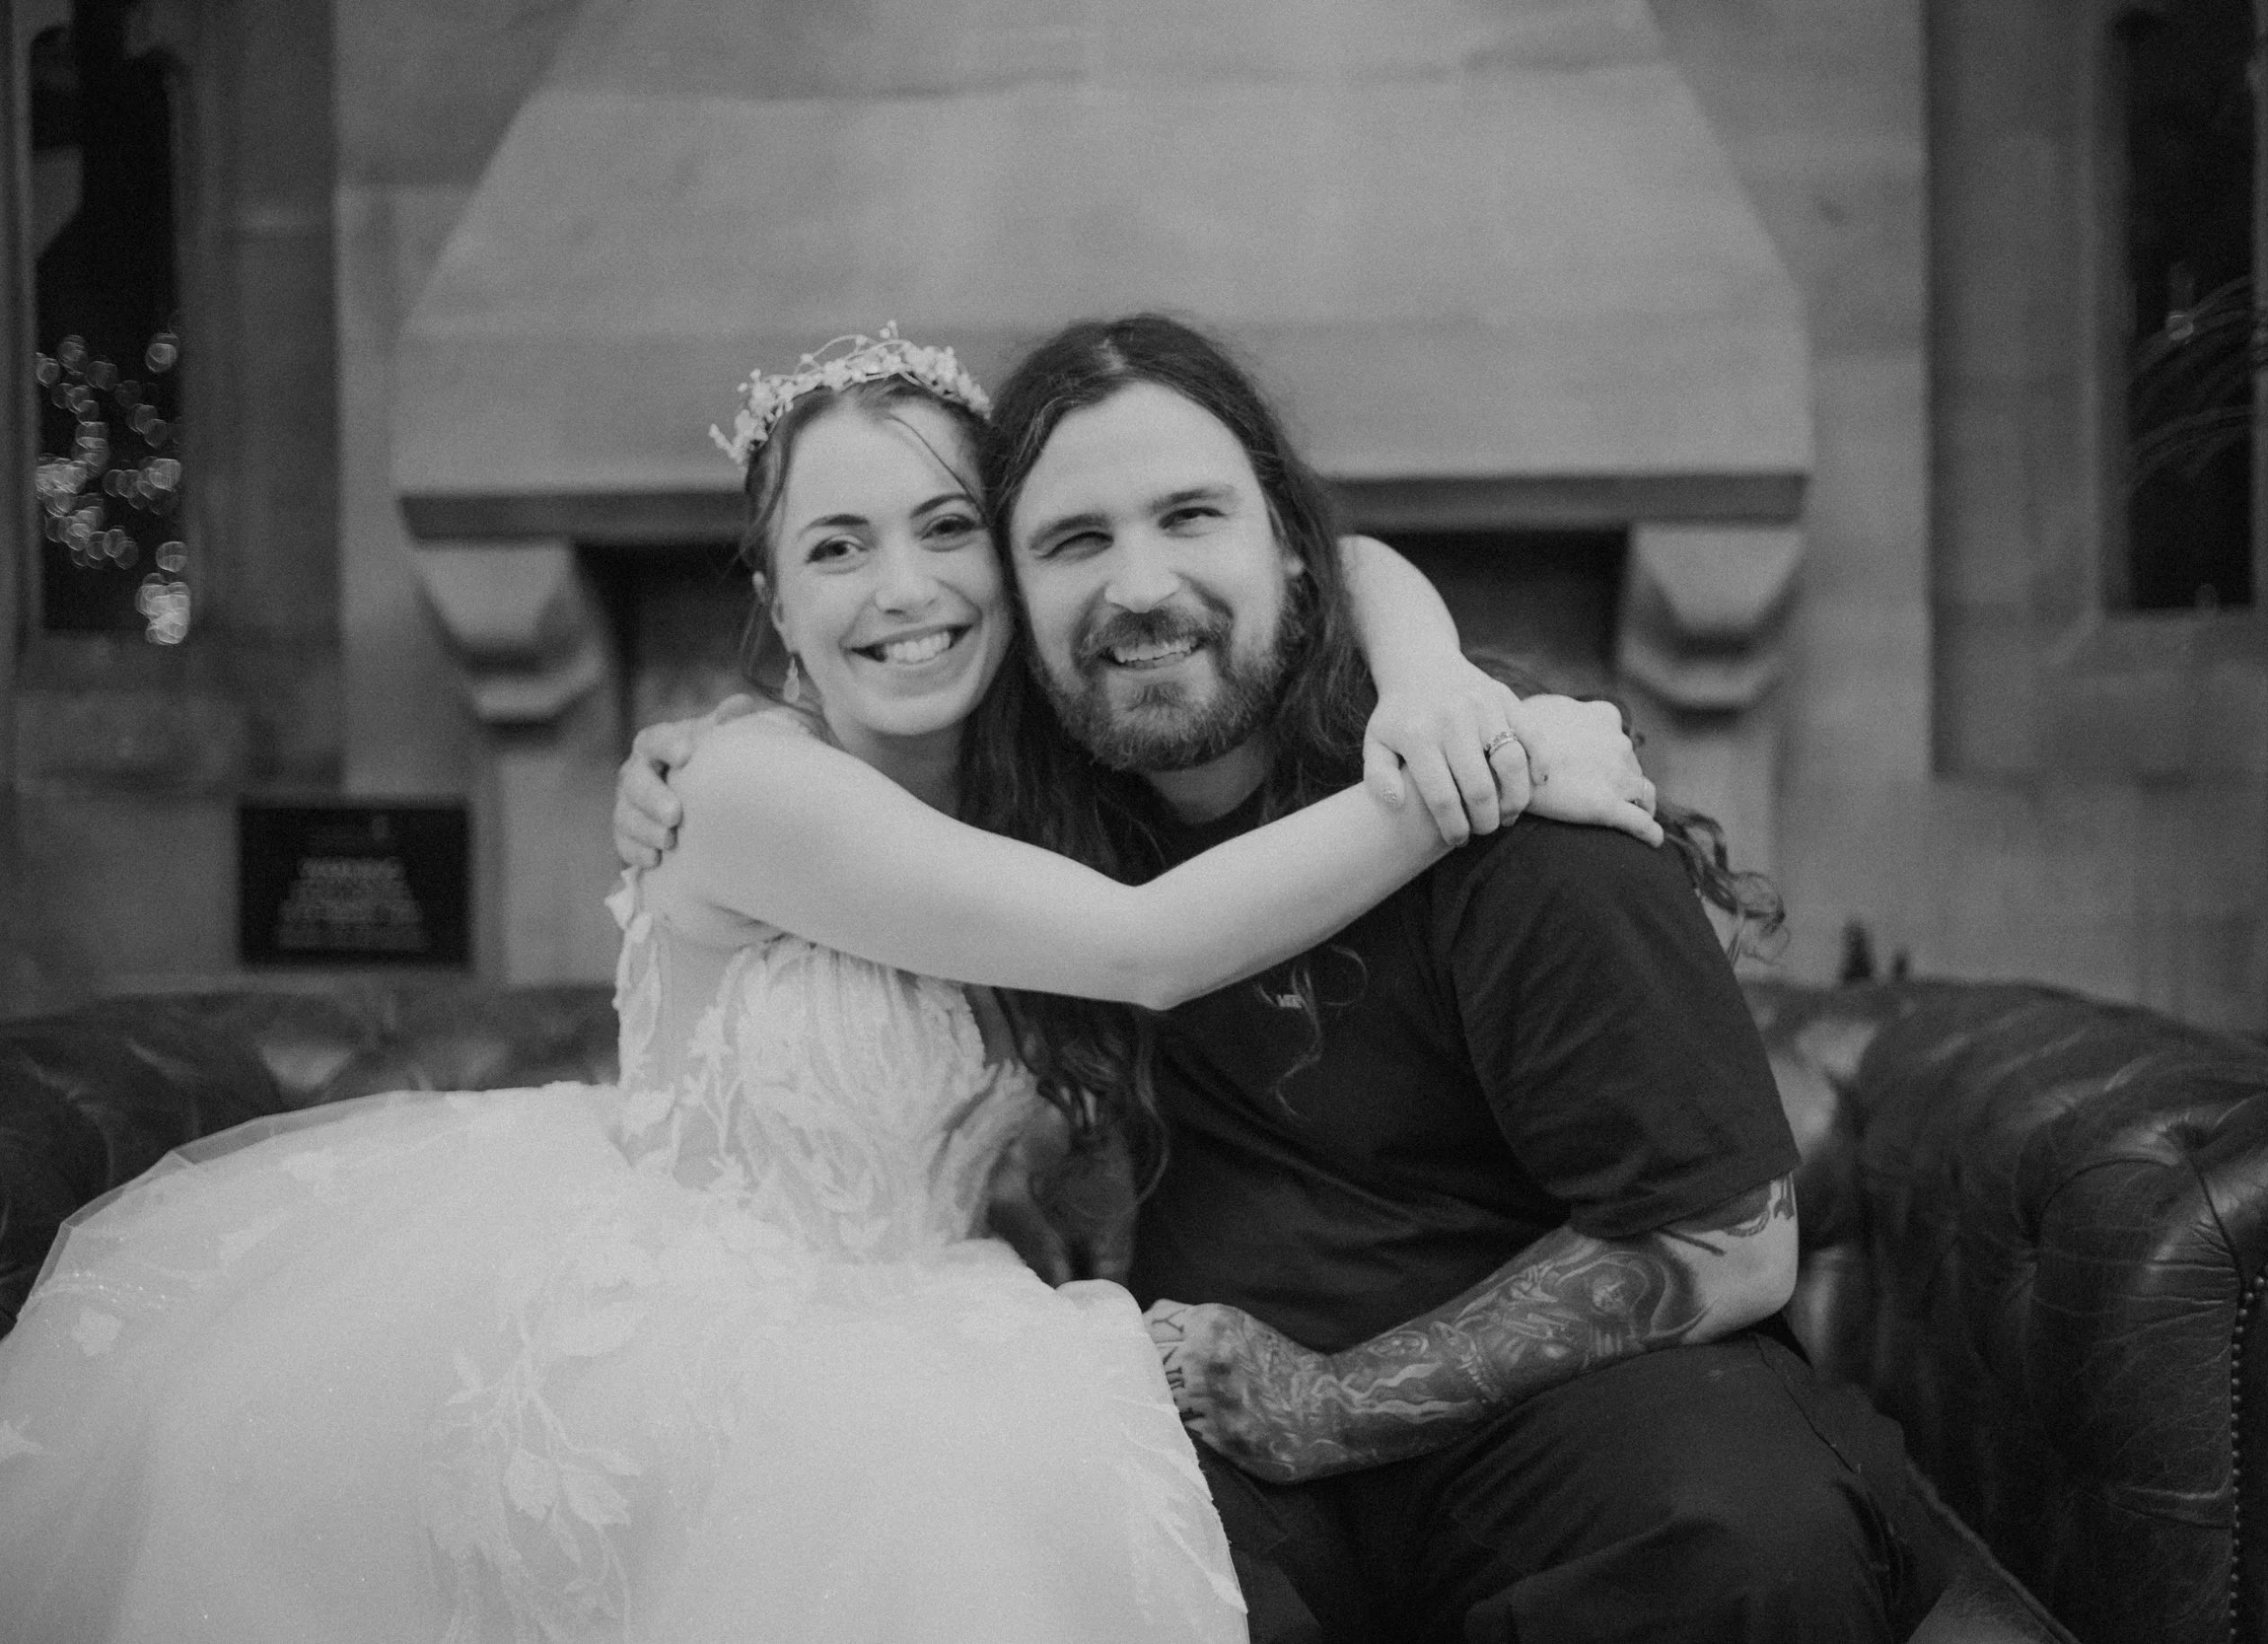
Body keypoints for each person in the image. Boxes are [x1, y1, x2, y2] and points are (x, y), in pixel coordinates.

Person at [0, 327, 1655, 1644]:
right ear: (776, 601)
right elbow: (1145, 950)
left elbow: (1338, 559)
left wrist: (1437, 684)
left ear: (1016, 564)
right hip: (686, 1340)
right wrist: (1484, 772)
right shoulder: (746, 787)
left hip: (928, 1310)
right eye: (839, 546)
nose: (905, 590)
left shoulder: (1039, 797)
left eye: (947, 530)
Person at [619, 315, 1949, 1644]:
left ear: (1292, 553)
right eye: (1075, 541)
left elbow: (1729, 1242)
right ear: (1019, 604)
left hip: (1567, 1426)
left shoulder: (1532, 825)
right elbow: (1127, 935)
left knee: (1746, 1540)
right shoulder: (1048, 820)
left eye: (1191, 516)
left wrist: (1333, 1401)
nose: (1140, 586)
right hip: (1209, 1452)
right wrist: (725, 748)